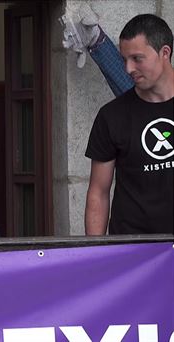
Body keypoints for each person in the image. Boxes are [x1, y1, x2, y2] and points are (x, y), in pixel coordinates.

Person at [85, 14, 174, 235]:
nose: (128, 68)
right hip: (134, 252)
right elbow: (98, 192)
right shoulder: (111, 116)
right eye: (125, 59)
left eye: (137, 58)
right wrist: (94, 254)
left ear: (165, 52)